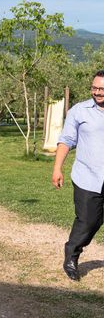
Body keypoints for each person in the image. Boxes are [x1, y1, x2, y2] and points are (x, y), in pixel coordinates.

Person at [52, 70, 104, 282]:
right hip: (88, 177)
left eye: (101, 89)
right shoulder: (79, 111)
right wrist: (57, 168)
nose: (97, 92)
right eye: (94, 88)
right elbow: (66, 140)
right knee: (88, 221)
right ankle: (71, 256)